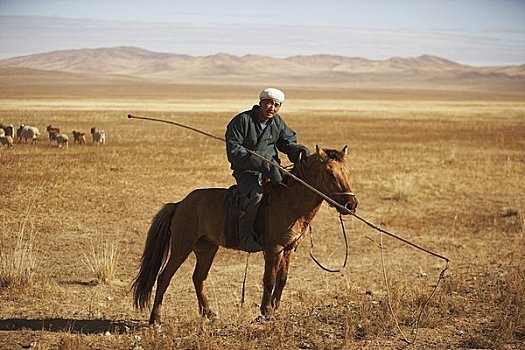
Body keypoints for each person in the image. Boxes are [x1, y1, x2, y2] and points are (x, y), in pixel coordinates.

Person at [225, 88, 310, 252]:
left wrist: (298, 150)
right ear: (261, 103)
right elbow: (235, 152)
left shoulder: (277, 122)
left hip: (273, 169)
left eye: (277, 105)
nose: (272, 108)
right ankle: (245, 237)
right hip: (247, 172)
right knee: (256, 197)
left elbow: (287, 142)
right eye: (269, 103)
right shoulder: (242, 121)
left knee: (290, 192)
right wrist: (263, 164)